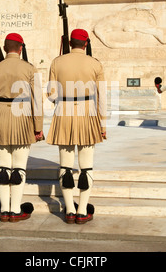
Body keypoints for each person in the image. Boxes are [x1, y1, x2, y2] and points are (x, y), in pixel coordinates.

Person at [46, 29, 106, 224]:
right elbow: (102, 97)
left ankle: (69, 210)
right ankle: (82, 210)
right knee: (86, 166)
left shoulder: (57, 62)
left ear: (70, 43)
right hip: (88, 112)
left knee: (65, 165)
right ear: (86, 43)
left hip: (64, 112)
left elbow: (51, 94)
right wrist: (102, 123)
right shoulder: (95, 63)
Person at [0, 33, 43, 222]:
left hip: (0, 114)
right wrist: (38, 126)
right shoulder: (30, 69)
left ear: (4, 47)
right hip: (22, 114)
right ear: (20, 48)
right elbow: (37, 101)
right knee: (19, 166)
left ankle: (4, 210)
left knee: (2, 166)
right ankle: (15, 209)